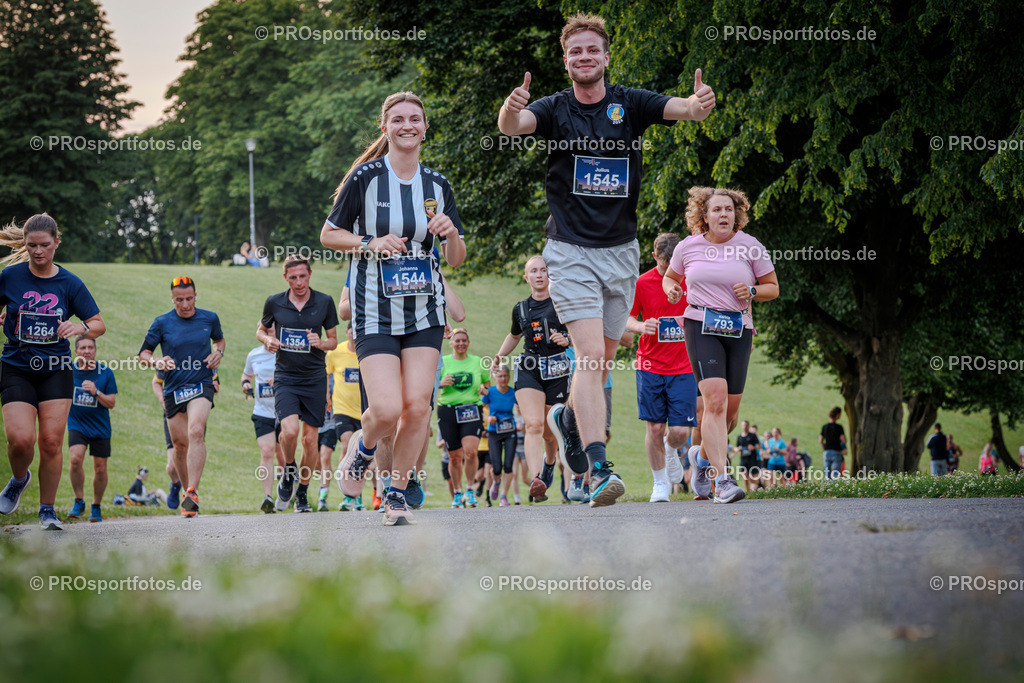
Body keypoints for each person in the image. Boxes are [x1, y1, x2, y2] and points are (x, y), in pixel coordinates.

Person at [499, 12, 716, 508]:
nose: (584, 58)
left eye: (592, 50)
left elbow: (682, 109)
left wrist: (698, 105)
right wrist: (510, 111)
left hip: (621, 252)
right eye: (575, 52)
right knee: (591, 355)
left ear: (605, 56)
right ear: (566, 60)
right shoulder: (554, 109)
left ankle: (567, 421)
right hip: (569, 250)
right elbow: (514, 126)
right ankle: (597, 469)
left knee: (599, 364)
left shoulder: (630, 103)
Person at [320, 91, 466, 525]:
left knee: (418, 407)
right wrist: (370, 242)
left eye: (415, 119)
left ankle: (396, 495)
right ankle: (362, 449)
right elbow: (329, 234)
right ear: (385, 127)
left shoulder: (438, 186)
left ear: (425, 127)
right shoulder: (365, 179)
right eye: (398, 119)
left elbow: (456, 258)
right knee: (385, 409)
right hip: (374, 308)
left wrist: (451, 232)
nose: (407, 125)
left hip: (425, 310)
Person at [662, 187, 779, 503]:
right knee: (713, 400)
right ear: (704, 215)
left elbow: (773, 288)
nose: (724, 214)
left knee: (728, 415)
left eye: (729, 209)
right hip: (701, 325)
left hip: (739, 328)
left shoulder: (750, 246)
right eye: (717, 210)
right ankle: (722, 480)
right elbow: (670, 278)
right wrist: (673, 289)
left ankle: (699, 459)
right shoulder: (688, 247)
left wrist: (753, 292)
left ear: (736, 214)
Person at [0, 214, 106, 530]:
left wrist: (79, 326)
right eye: (31, 245)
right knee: (20, 439)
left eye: (44, 245)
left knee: (50, 442)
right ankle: (19, 479)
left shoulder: (70, 283)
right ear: (26, 245)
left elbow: (99, 324)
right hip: (16, 366)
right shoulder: (10, 276)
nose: (38, 251)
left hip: (55, 369)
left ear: (56, 243)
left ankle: (47, 510)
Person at [256, 255, 339, 513]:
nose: (299, 282)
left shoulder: (324, 302)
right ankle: (289, 469)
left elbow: (333, 340)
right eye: (293, 277)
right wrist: (266, 340)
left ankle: (302, 492)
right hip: (286, 377)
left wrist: (320, 343)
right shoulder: (275, 302)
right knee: (290, 432)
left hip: (314, 377)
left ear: (310, 274)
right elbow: (260, 330)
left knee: (310, 439)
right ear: (285, 278)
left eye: (303, 276)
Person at [139, 275, 224, 518]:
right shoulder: (162, 322)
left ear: (196, 296)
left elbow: (219, 340)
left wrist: (219, 352)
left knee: (196, 430)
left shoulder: (209, 318)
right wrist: (157, 360)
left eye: (189, 299)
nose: (185, 305)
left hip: (201, 383)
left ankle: (192, 490)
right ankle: (187, 493)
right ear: (172, 299)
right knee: (179, 446)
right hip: (174, 388)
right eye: (179, 300)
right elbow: (143, 354)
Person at [625, 233, 697, 503]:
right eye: (665, 266)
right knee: (654, 428)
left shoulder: (692, 280)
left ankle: (670, 449)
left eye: (673, 265)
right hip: (650, 364)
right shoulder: (642, 283)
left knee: (679, 432)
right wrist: (643, 326)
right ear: (655, 257)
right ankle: (659, 484)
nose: (669, 272)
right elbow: (627, 319)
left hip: (684, 365)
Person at [492, 256, 569, 503]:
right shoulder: (521, 308)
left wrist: (567, 341)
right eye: (533, 271)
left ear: (550, 275)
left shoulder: (562, 303)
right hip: (529, 367)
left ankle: (548, 464)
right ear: (526, 277)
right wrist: (500, 355)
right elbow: (514, 336)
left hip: (557, 369)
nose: (539, 275)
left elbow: (579, 333)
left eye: (543, 270)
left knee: (550, 433)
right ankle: (537, 481)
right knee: (534, 425)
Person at [436, 328, 490, 508]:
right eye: (457, 340)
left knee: (471, 452)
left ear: (468, 343)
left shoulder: (477, 362)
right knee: (454, 457)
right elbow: (428, 385)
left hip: (471, 409)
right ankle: (457, 492)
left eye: (464, 341)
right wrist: (440, 384)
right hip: (447, 410)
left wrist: (484, 391)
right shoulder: (442, 362)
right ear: (451, 343)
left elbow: (488, 385)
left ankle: (470, 489)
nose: (461, 343)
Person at [66, 335, 117, 523]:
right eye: (83, 348)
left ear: (95, 351)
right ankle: (79, 501)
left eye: (90, 347)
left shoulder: (105, 373)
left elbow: (111, 403)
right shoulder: (68, 371)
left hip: (100, 427)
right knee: (75, 459)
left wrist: (96, 392)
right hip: (77, 424)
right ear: (76, 351)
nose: (87, 351)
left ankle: (96, 506)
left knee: (101, 468)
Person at [326, 325, 365, 510]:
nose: (353, 334)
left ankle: (357, 496)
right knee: (346, 444)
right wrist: (326, 396)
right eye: (351, 330)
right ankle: (347, 495)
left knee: (363, 452)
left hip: (364, 410)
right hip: (342, 409)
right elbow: (325, 373)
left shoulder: (367, 351)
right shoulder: (336, 352)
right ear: (347, 332)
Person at [242, 343, 283, 513]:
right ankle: (268, 497)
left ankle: (287, 487)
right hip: (262, 412)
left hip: (284, 411)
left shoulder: (285, 353)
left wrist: (280, 379)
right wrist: (245, 384)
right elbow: (247, 374)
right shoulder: (254, 354)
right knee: (267, 451)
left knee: (283, 456)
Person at [483, 365, 518, 507]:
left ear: (509, 377)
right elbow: (481, 408)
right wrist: (488, 418)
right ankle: (496, 482)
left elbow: (522, 406)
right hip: (494, 431)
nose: (503, 379)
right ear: (495, 378)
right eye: (500, 376)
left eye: (505, 376)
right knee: (496, 467)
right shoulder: (490, 392)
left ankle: (504, 496)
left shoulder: (514, 392)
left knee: (508, 466)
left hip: (510, 430)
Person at [820, 407, 846, 480]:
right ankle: (834, 489)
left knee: (827, 474)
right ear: (837, 415)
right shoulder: (839, 427)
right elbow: (843, 439)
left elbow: (820, 440)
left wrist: (824, 448)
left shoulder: (824, 427)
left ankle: (826, 489)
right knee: (835, 474)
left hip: (827, 452)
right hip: (836, 452)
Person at [735, 420, 761, 492]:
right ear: (741, 426)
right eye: (743, 425)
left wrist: (753, 447)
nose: (744, 427)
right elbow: (736, 447)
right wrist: (738, 449)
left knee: (753, 478)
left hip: (752, 459)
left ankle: (757, 486)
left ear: (748, 426)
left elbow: (759, 446)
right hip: (744, 459)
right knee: (745, 476)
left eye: (746, 425)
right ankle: (747, 492)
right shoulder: (739, 437)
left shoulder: (752, 436)